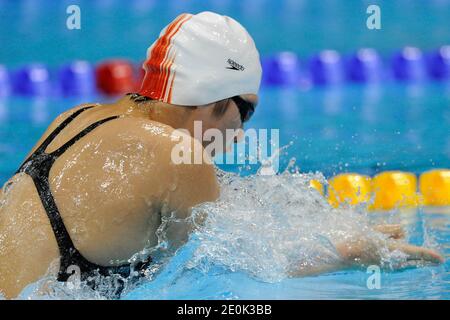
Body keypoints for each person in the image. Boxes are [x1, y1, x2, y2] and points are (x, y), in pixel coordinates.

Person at [0, 11, 442, 299]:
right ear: (217, 101)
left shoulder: (74, 115)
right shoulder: (178, 154)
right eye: (245, 110)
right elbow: (235, 275)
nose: (241, 131)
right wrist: (346, 252)